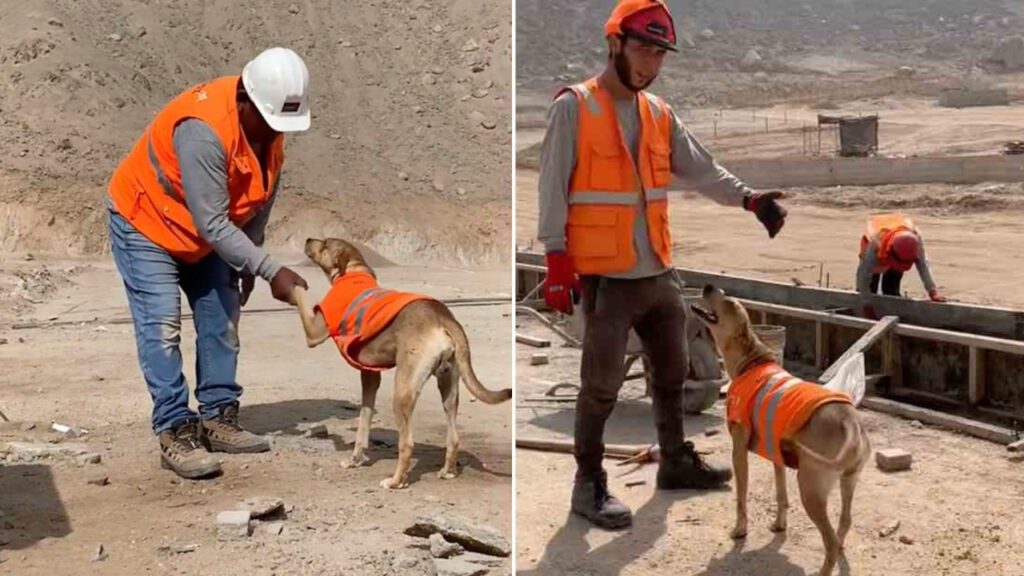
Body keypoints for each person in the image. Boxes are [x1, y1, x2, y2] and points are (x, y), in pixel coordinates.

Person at [536, 0, 788, 529]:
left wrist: (750, 200)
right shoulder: (574, 107)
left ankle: (674, 462)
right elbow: (552, 187)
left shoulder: (659, 114)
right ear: (615, 44)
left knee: (672, 372)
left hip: (657, 271)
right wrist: (556, 261)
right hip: (606, 277)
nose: (650, 62)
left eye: (658, 53)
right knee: (600, 386)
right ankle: (588, 485)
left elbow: (701, 169)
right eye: (642, 48)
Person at [106, 47, 311, 479]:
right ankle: (175, 428)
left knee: (222, 316)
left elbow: (260, 199)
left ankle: (218, 416)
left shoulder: (269, 128)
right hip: (147, 224)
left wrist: (247, 259)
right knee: (161, 326)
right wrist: (270, 269)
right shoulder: (204, 131)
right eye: (272, 121)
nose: (278, 132)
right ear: (245, 101)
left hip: (205, 233)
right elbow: (214, 222)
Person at [856, 213, 945, 309]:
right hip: (876, 247)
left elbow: (923, 265)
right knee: (871, 286)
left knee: (891, 288)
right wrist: (866, 303)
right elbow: (864, 275)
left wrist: (932, 292)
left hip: (897, 246)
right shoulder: (875, 242)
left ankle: (893, 306)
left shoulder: (914, 239)